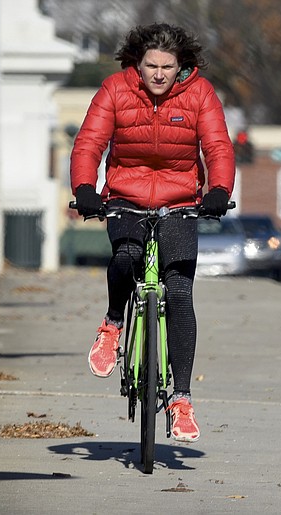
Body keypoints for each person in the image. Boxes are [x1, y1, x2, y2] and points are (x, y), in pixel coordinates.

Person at [69, 22, 235, 443]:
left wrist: (218, 190)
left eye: (167, 66)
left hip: (181, 201)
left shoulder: (200, 94)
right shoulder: (114, 90)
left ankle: (181, 399)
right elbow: (90, 143)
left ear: (181, 67)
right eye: (151, 66)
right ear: (137, 64)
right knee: (125, 258)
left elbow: (217, 146)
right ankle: (111, 325)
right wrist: (86, 189)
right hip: (126, 196)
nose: (159, 74)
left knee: (178, 291)